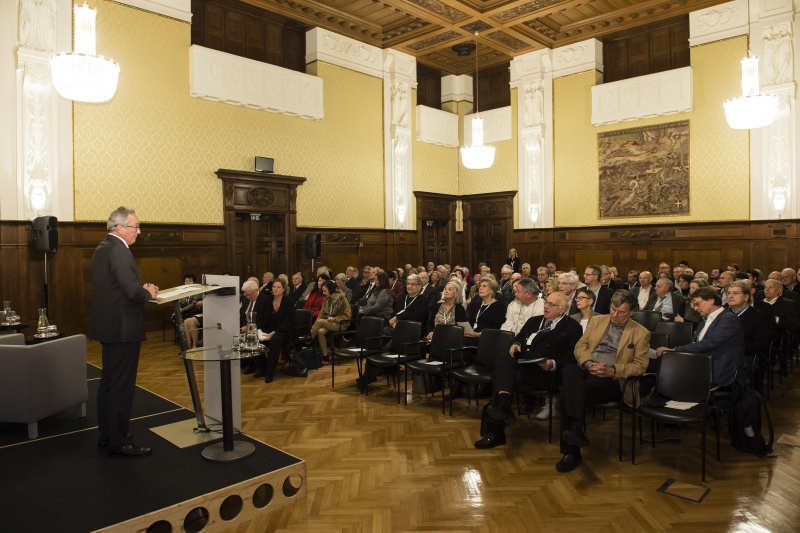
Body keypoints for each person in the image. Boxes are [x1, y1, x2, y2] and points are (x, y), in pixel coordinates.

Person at [556, 290, 650, 473]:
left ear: (631, 312)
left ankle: (571, 453)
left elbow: (640, 366)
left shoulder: (640, 332)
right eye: (613, 309)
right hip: (587, 370)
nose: (615, 315)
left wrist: (612, 370)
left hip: (612, 380)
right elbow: (580, 346)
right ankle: (576, 429)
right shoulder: (598, 320)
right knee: (569, 370)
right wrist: (588, 363)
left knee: (568, 393)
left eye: (621, 312)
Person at [91, 206, 158, 457]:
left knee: (108, 383)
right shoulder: (119, 251)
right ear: (120, 227)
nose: (138, 232)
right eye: (135, 226)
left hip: (110, 328)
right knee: (121, 387)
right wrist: (147, 293)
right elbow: (131, 292)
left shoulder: (103, 248)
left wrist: (140, 289)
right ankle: (119, 442)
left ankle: (107, 435)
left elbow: (116, 288)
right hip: (123, 329)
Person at [475, 291, 583, 448]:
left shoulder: (573, 327)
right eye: (546, 302)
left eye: (552, 305)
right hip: (524, 366)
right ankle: (504, 405)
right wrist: (516, 344)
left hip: (547, 374)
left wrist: (552, 363)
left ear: (563, 309)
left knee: (500, 381)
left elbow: (572, 356)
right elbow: (518, 337)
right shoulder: (534, 321)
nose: (546, 306)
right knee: (503, 359)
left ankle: (495, 431)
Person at [258, 278, 295, 383]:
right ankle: (262, 368)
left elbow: (288, 322)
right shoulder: (267, 300)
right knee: (256, 339)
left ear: (283, 289)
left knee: (274, 340)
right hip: (268, 329)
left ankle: (270, 373)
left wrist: (273, 333)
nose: (275, 289)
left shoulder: (288, 302)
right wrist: (257, 330)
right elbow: (261, 318)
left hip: (283, 331)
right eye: (274, 286)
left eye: (278, 287)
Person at [310, 280, 352, 361]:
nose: (323, 293)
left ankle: (308, 340)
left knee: (320, 322)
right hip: (330, 322)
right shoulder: (326, 300)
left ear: (330, 289)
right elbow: (320, 315)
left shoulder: (342, 298)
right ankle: (325, 356)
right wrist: (314, 327)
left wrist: (335, 319)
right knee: (320, 331)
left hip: (342, 324)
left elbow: (348, 316)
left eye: (325, 291)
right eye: (322, 291)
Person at [463, 278, 507, 347]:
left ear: (492, 291)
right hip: (473, 336)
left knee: (461, 342)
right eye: (480, 286)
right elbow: (471, 322)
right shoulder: (477, 305)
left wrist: (479, 334)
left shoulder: (499, 306)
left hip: (487, 338)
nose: (480, 288)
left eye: (484, 286)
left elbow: (497, 327)